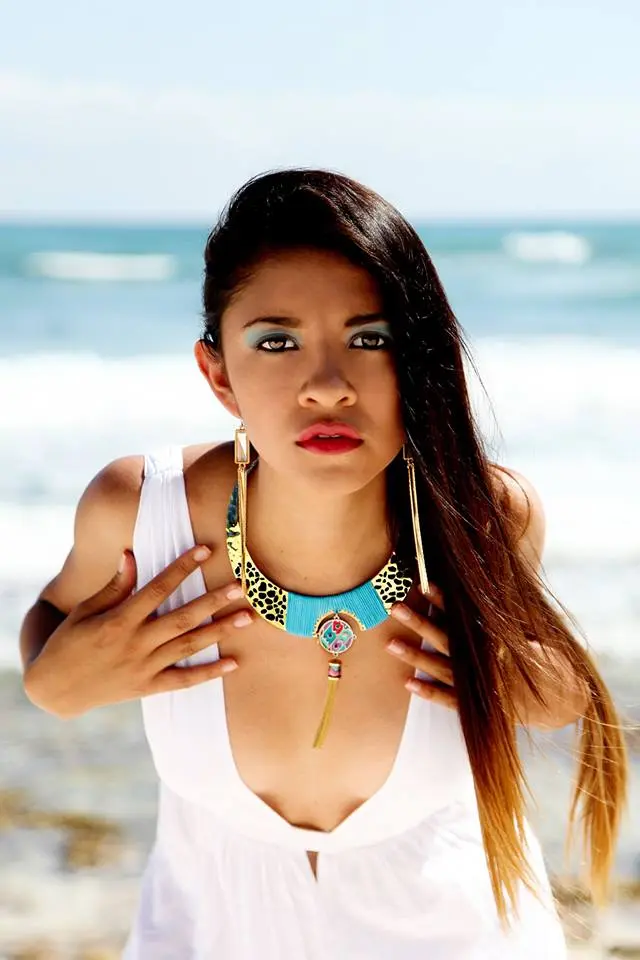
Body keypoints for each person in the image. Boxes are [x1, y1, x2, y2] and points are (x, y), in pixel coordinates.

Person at [20, 169, 627, 959]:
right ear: (218, 374)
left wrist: (506, 674)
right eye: (277, 342)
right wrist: (57, 680)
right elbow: (51, 639)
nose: (328, 387)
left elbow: (558, 696)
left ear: (417, 358)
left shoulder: (482, 515)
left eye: (370, 339)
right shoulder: (141, 513)